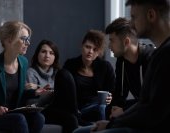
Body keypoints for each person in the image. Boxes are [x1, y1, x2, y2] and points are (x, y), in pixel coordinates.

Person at [73, 0, 170, 132]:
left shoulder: (159, 56)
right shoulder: (157, 55)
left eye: (134, 17)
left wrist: (114, 121)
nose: (132, 24)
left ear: (151, 15)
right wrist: (113, 119)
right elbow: (143, 103)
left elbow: (153, 110)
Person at [0, 21, 45, 133]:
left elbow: (15, 93)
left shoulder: (23, 62)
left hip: (10, 113)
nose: (28, 43)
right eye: (24, 39)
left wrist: (36, 92)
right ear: (9, 40)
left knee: (39, 118)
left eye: (28, 39)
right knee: (19, 119)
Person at [105, 17, 155, 118]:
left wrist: (124, 110)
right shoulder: (122, 61)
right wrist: (110, 116)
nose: (109, 46)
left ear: (126, 42)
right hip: (137, 114)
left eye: (112, 41)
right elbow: (119, 95)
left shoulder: (151, 59)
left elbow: (151, 101)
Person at [63, 29, 115, 125]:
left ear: (99, 52)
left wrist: (110, 97)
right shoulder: (70, 65)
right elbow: (64, 92)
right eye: (88, 47)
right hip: (77, 109)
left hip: (98, 106)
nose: (90, 51)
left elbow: (112, 91)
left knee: (102, 107)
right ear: (82, 46)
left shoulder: (105, 67)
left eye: (95, 49)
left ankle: (101, 128)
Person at [26, 39, 60, 107]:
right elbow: (30, 101)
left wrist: (38, 87)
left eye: (51, 53)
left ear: (55, 57)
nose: (47, 56)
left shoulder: (58, 73)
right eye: (43, 52)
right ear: (37, 54)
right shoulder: (30, 72)